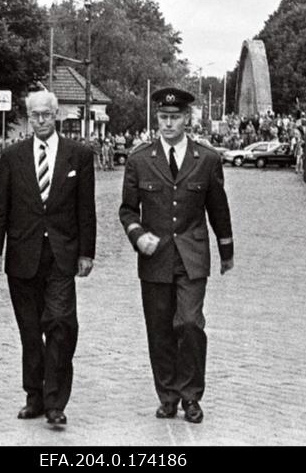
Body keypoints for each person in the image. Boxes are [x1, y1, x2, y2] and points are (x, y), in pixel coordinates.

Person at [119, 87, 234, 424]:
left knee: (189, 323)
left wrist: (226, 250)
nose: (168, 124)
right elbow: (127, 211)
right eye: (163, 117)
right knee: (159, 330)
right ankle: (167, 396)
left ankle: (191, 396)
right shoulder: (140, 160)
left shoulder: (206, 159)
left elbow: (218, 209)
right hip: (154, 258)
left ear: (187, 119)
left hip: (192, 256)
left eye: (175, 117)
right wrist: (138, 236)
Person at [0, 90, 96, 426]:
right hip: (23, 254)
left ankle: (55, 402)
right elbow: (0, 208)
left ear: (56, 114)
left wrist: (86, 252)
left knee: (61, 324)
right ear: (28, 116)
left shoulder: (79, 155)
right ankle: (34, 395)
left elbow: (85, 209)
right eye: (35, 115)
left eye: (46, 114)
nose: (41, 120)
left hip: (62, 254)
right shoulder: (12, 156)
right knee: (30, 330)